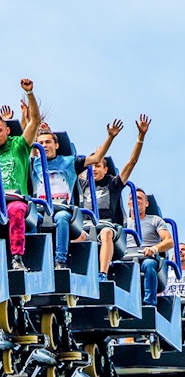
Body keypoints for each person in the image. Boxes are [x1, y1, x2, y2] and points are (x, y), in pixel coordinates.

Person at [33, 120, 123, 268]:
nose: (44, 146)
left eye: (48, 142)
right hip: (41, 208)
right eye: (41, 143)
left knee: (61, 218)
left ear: (56, 145)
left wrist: (110, 137)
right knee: (26, 217)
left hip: (62, 209)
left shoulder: (69, 162)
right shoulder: (34, 163)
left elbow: (95, 158)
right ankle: (34, 260)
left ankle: (60, 261)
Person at [81, 114, 151, 280]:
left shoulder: (113, 184)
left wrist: (140, 137)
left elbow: (131, 162)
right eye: (92, 166)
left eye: (98, 166)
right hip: (85, 227)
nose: (94, 169)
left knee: (105, 232)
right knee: (74, 234)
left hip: (109, 230)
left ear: (106, 170)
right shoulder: (82, 184)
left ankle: (102, 274)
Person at [0, 78, 41, 270]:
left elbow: (35, 121)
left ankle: (17, 258)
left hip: (15, 199)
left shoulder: (19, 145)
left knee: (15, 210)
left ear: (7, 130)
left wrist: (30, 94)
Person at [125, 188, 174, 306]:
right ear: (128, 204)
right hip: (126, 257)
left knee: (149, 264)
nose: (136, 201)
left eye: (139, 198)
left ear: (146, 203)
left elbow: (169, 241)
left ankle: (149, 303)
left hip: (146, 256)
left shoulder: (155, 220)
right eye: (132, 198)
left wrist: (154, 249)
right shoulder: (123, 222)